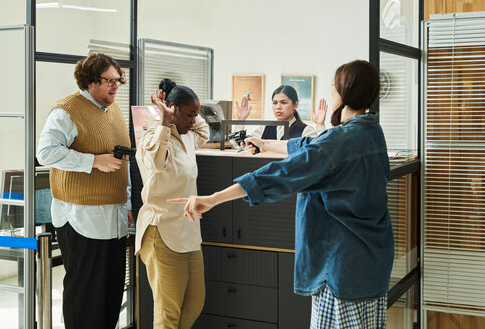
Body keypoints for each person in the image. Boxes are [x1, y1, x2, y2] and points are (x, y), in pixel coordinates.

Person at [171, 60, 394, 329]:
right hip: (373, 261)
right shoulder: (372, 132)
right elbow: (309, 147)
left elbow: (280, 175)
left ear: (345, 93)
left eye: (334, 87)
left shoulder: (340, 142)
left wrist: (212, 198)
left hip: (341, 267)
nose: (331, 92)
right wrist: (264, 143)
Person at [37, 53, 133, 329]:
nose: (115, 87)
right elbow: (45, 152)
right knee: (85, 298)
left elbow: (121, 160)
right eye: (109, 81)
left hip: (113, 218)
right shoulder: (67, 110)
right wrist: (92, 161)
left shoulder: (112, 110)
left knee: (111, 295)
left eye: (118, 81)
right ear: (90, 81)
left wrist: (125, 204)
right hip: (81, 219)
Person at [135, 79, 210, 329]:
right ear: (173, 109)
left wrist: (184, 109)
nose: (193, 120)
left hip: (188, 232)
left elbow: (205, 131)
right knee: (168, 315)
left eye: (195, 115)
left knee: (194, 304)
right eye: (190, 114)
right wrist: (164, 119)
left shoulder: (188, 137)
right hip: (162, 232)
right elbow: (156, 162)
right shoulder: (150, 138)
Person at [234, 84, 328, 139]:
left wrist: (320, 125)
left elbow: (320, 151)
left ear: (295, 105)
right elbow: (240, 147)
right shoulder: (264, 129)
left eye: (284, 102)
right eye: (275, 103)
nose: (278, 107)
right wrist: (240, 121)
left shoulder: (306, 131)